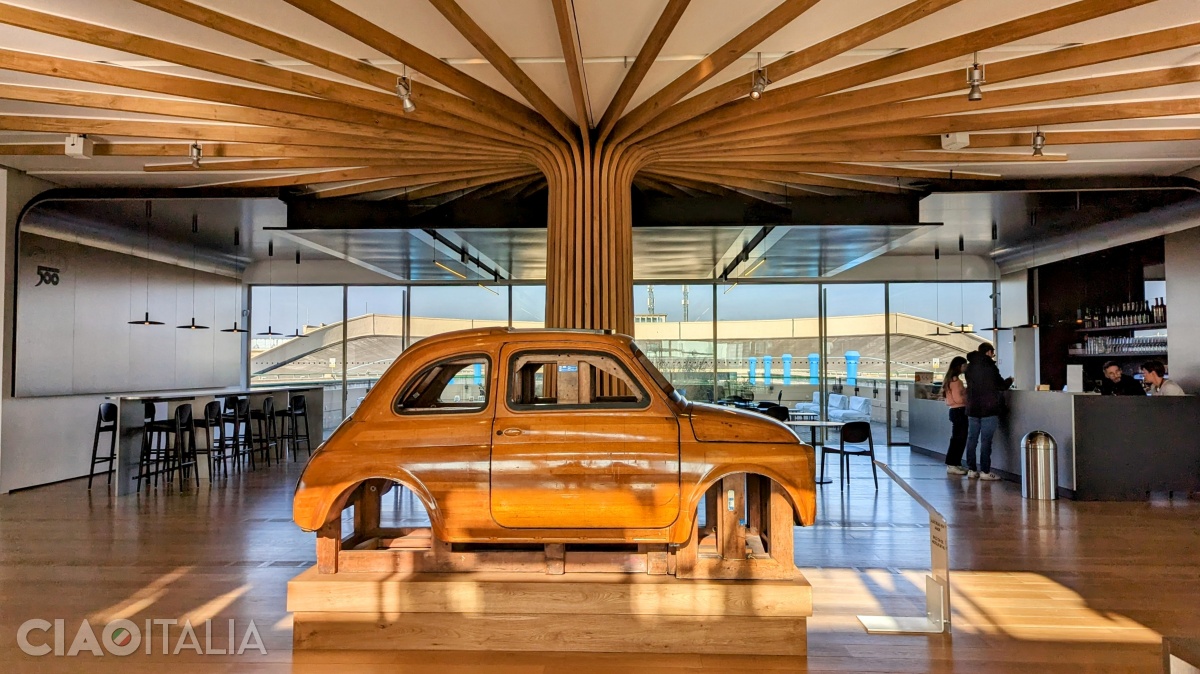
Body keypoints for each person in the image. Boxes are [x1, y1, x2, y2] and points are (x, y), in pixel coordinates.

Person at [964, 342, 1013, 481]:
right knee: (986, 441)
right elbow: (1001, 386)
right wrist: (1010, 380)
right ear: (988, 352)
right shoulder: (990, 367)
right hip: (989, 408)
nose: (993, 355)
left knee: (972, 439)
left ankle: (972, 470)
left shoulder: (969, 367)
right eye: (993, 352)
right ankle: (985, 471)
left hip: (972, 408)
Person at [941, 356, 969, 476]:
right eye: (964, 365)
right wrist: (966, 394)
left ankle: (953, 463)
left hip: (953, 411)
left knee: (956, 438)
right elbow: (958, 398)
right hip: (960, 411)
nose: (965, 367)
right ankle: (953, 463)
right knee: (960, 439)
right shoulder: (957, 382)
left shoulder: (949, 380)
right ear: (959, 366)